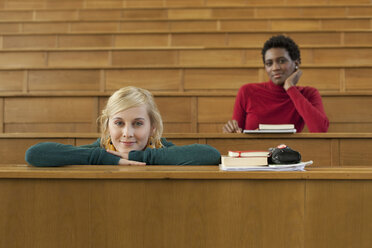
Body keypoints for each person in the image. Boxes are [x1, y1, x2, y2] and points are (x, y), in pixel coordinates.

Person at [25, 86, 221, 166]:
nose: (127, 133)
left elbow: (210, 155)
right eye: (119, 123)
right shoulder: (101, 150)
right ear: (108, 125)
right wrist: (105, 158)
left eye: (138, 123)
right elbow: (35, 154)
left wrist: (140, 157)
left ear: (152, 127)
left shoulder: (160, 150)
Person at [223, 35, 329, 133]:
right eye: (269, 63)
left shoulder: (308, 93)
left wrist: (290, 88)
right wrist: (231, 131)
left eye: (282, 61)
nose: (275, 68)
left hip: (289, 153)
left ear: (296, 64)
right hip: (254, 153)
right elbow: (236, 137)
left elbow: (320, 129)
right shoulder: (247, 91)